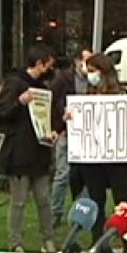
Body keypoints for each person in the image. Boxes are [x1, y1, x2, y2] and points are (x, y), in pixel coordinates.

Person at [0, 44, 58, 253]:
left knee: (44, 200)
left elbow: (51, 115)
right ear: (39, 64)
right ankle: (15, 242)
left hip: (40, 153)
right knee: (18, 201)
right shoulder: (15, 84)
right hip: (19, 154)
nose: (50, 70)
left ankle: (48, 239)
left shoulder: (44, 89)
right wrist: (19, 103)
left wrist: (55, 129)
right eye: (48, 65)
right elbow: (0, 112)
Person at [75, 53, 127, 242]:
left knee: (122, 202)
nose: (89, 75)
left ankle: (126, 243)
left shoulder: (123, 95)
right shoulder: (88, 96)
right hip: (94, 159)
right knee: (96, 201)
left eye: (93, 71)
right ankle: (98, 242)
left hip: (119, 159)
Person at [49, 47, 92, 226]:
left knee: (86, 175)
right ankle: (55, 212)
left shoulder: (94, 81)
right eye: (86, 61)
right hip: (66, 132)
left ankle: (83, 212)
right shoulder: (63, 79)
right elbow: (52, 103)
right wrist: (56, 127)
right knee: (62, 173)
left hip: (87, 135)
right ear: (77, 62)